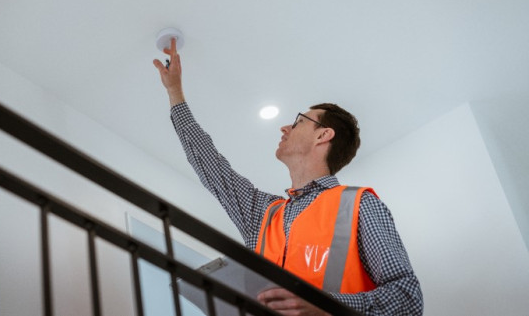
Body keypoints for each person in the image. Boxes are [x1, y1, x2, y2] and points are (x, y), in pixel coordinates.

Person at [154, 40, 423, 316]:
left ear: (323, 135)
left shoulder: (359, 205)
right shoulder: (263, 215)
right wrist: (175, 92)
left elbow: (407, 298)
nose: (284, 127)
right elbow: (211, 165)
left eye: (298, 122)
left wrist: (326, 307)